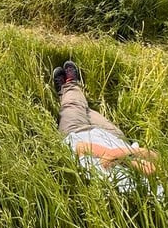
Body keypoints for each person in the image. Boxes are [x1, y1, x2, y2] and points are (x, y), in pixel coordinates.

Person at [53, 61, 160, 193]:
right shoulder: (162, 188)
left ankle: (69, 84)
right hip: (114, 136)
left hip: (77, 133)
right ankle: (68, 93)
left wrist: (118, 155)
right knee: (84, 109)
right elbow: (155, 155)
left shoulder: (116, 184)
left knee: (73, 106)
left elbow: (82, 147)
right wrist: (127, 157)